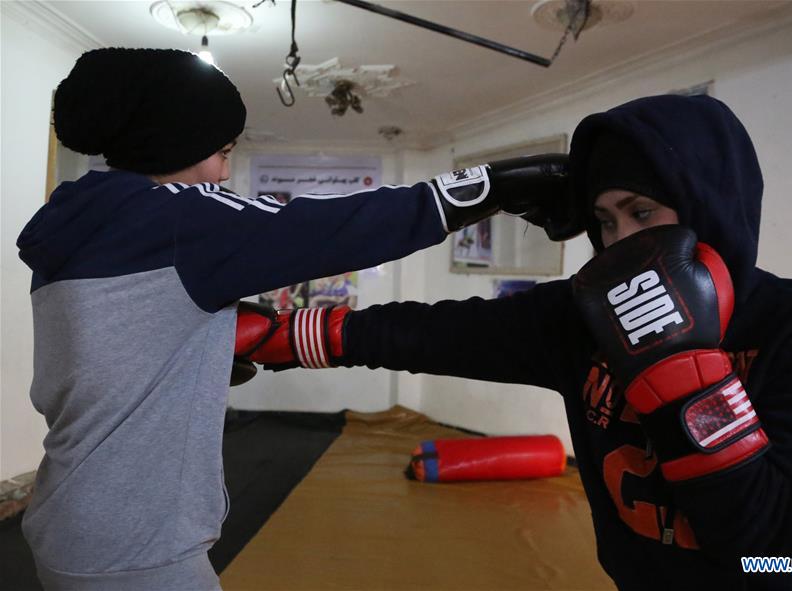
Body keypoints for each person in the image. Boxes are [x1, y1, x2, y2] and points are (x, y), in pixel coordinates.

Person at [237, 94, 792, 590]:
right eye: (604, 221)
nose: (621, 242)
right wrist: (281, 335)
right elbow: (430, 333)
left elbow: (772, 547)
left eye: (642, 212)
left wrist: (684, 375)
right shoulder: (584, 316)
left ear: (709, 204)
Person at [15, 47, 576, 591]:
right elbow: (335, 227)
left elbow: (107, 354)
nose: (224, 171)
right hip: (135, 544)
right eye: (223, 152)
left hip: (67, 518)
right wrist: (492, 188)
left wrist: (200, 345)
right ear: (176, 143)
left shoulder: (73, 231)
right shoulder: (177, 220)